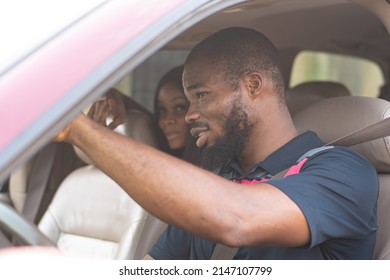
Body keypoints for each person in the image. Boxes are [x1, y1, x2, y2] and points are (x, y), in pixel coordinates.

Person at [55, 27, 378, 260]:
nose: (189, 115)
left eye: (201, 95)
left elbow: (237, 219)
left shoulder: (343, 172)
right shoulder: (216, 180)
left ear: (252, 86)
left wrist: (76, 127)